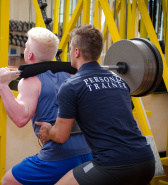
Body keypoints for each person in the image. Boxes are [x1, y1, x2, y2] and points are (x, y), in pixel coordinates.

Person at [36, 24, 155, 185]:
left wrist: (48, 130)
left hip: (112, 166)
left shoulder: (71, 85)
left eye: (70, 48)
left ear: (76, 52)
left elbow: (60, 136)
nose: (70, 52)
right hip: (147, 161)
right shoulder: (120, 81)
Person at [0, 27, 92, 185]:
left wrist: (2, 85)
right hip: (89, 152)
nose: (26, 49)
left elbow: (21, 118)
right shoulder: (73, 75)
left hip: (59, 156)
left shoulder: (30, 81)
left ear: (30, 54)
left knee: (8, 181)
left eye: (26, 46)